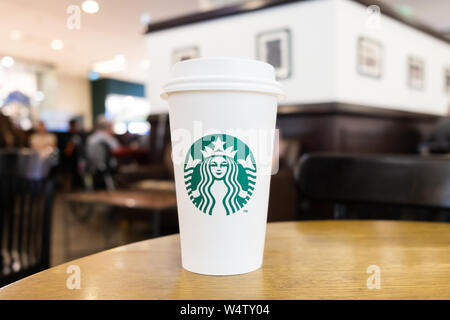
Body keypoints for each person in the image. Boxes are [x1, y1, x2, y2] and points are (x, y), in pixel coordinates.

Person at [85, 116, 121, 189]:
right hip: (106, 165)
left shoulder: (91, 138)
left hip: (90, 164)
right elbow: (117, 149)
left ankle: (89, 187)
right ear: (107, 127)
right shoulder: (108, 138)